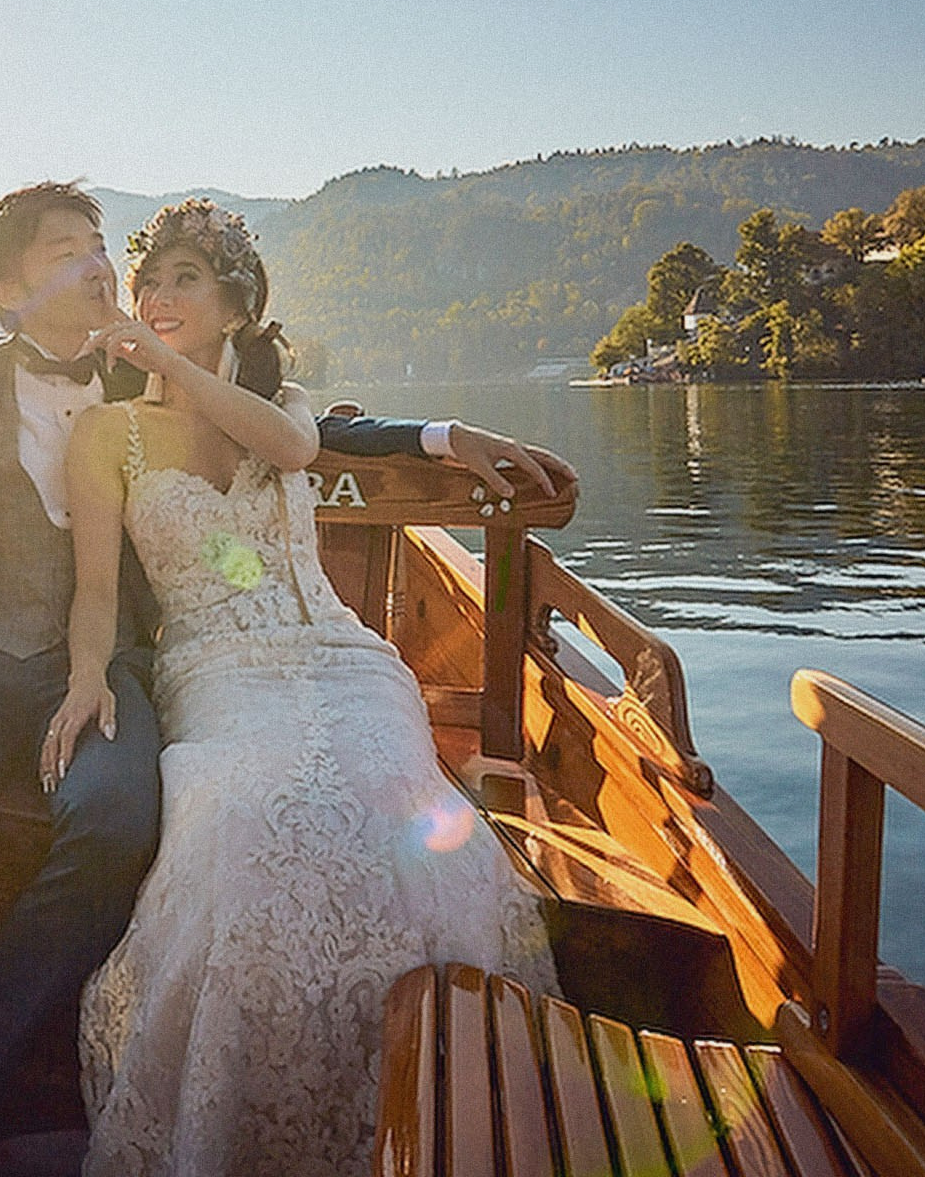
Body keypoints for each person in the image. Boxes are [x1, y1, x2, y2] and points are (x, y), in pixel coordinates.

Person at [0, 182, 572, 1177]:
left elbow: (298, 431)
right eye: (71, 252)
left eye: (101, 245)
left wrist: (441, 438)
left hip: (113, 668)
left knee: (112, 823)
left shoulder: (141, 371)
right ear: (6, 289)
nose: (103, 268)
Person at [67, 199, 564, 1177]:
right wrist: (87, 670)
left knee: (393, 806)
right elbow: (92, 591)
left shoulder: (284, 407)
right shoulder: (106, 434)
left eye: (185, 280)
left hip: (343, 660)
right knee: (247, 827)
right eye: (148, 282)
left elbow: (298, 451)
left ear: (237, 307)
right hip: (214, 669)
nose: (159, 297)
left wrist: (445, 431)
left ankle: (433, 1116)